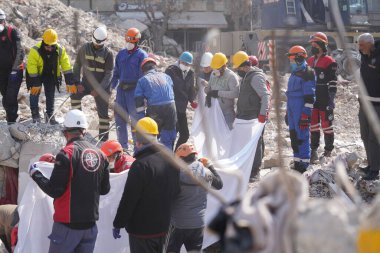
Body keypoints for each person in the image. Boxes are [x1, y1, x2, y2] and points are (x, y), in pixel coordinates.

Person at [29, 109, 110, 253]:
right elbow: (105, 189)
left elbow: (54, 190)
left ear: (66, 132)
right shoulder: (101, 155)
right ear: (83, 131)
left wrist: (35, 174)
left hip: (67, 227)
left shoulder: (66, 154)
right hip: (90, 228)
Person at [112, 117, 180, 253]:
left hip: (142, 231)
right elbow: (176, 191)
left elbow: (129, 199)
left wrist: (118, 223)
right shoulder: (172, 160)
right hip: (164, 228)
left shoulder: (140, 165)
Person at [166, 143, 223, 253]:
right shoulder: (206, 172)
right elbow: (219, 184)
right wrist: (210, 165)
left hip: (177, 223)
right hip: (198, 223)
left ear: (180, 157)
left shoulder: (175, 173)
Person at [71, 26, 114, 141]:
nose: (96, 45)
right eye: (95, 43)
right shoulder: (84, 48)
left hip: (102, 87)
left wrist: (99, 90)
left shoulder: (108, 54)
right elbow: (77, 66)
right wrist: (77, 82)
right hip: (85, 84)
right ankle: (77, 128)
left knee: (103, 114)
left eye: (99, 44)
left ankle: (103, 139)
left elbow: (109, 75)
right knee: (74, 96)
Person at [232, 51, 271, 179]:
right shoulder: (247, 76)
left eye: (238, 68)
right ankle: (247, 168)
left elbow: (265, 96)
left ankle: (255, 171)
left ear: (244, 66)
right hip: (244, 116)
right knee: (246, 143)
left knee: (256, 143)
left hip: (253, 117)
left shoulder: (255, 77)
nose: (238, 70)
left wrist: (262, 114)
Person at [26, 28, 77, 124]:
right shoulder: (35, 50)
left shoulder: (60, 50)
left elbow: (66, 65)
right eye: (47, 46)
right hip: (36, 74)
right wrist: (36, 83)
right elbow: (31, 66)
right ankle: (35, 114)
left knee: (50, 94)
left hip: (50, 75)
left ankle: (49, 116)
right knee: (34, 93)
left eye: (52, 46)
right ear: (43, 42)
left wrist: (70, 81)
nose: (49, 48)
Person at [110, 27, 148, 149]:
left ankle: (138, 150)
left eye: (131, 42)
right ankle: (123, 149)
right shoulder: (121, 54)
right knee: (119, 120)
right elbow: (116, 73)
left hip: (135, 93)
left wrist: (143, 95)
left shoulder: (142, 55)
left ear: (136, 42)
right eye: (127, 41)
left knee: (136, 122)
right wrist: (111, 87)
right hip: (121, 92)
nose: (129, 44)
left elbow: (144, 77)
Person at [307, 32, 338, 163]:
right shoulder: (309, 61)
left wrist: (331, 99)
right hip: (313, 99)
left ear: (321, 45)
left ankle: (328, 150)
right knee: (313, 125)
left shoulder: (330, 61)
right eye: (312, 44)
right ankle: (313, 150)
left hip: (325, 98)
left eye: (314, 44)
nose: (312, 47)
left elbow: (333, 82)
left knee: (327, 125)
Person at [285, 46, 316, 173]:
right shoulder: (294, 72)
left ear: (298, 58)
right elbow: (290, 93)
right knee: (293, 135)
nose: (290, 62)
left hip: (301, 108)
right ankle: (297, 161)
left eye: (292, 59)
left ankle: (304, 164)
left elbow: (310, 97)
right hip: (292, 108)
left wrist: (305, 114)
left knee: (302, 136)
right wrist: (288, 112)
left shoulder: (307, 73)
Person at [135, 57, 177, 150]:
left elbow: (139, 102)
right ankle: (169, 161)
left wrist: (142, 121)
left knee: (150, 137)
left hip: (155, 109)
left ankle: (151, 158)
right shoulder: (166, 76)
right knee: (168, 138)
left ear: (143, 70)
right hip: (171, 108)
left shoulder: (142, 80)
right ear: (155, 67)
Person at [357, 33, 380, 180]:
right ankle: (371, 164)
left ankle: (375, 169)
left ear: (370, 44)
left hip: (377, 106)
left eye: (362, 45)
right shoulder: (364, 56)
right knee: (365, 136)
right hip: (364, 104)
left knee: (374, 138)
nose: (359, 48)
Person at [165, 51, 197, 150]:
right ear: (179, 61)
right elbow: (165, 87)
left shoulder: (190, 73)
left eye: (188, 64)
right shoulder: (170, 71)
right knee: (172, 134)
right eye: (184, 63)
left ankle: (176, 154)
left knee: (185, 135)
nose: (186, 65)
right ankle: (169, 156)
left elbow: (191, 89)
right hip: (172, 108)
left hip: (182, 108)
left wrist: (192, 100)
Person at [0, 9, 24, 124]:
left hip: (15, 70)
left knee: (10, 96)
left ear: (4, 21)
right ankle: (11, 118)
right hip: (2, 71)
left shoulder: (12, 32)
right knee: (5, 96)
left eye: (1, 21)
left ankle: (13, 120)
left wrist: (15, 70)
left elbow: (20, 51)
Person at [205, 52, 239, 129]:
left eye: (218, 68)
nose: (216, 70)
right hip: (214, 112)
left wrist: (218, 93)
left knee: (228, 136)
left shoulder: (231, 77)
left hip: (227, 114)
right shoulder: (213, 74)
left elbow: (236, 93)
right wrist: (207, 93)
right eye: (214, 68)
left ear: (224, 66)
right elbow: (209, 88)